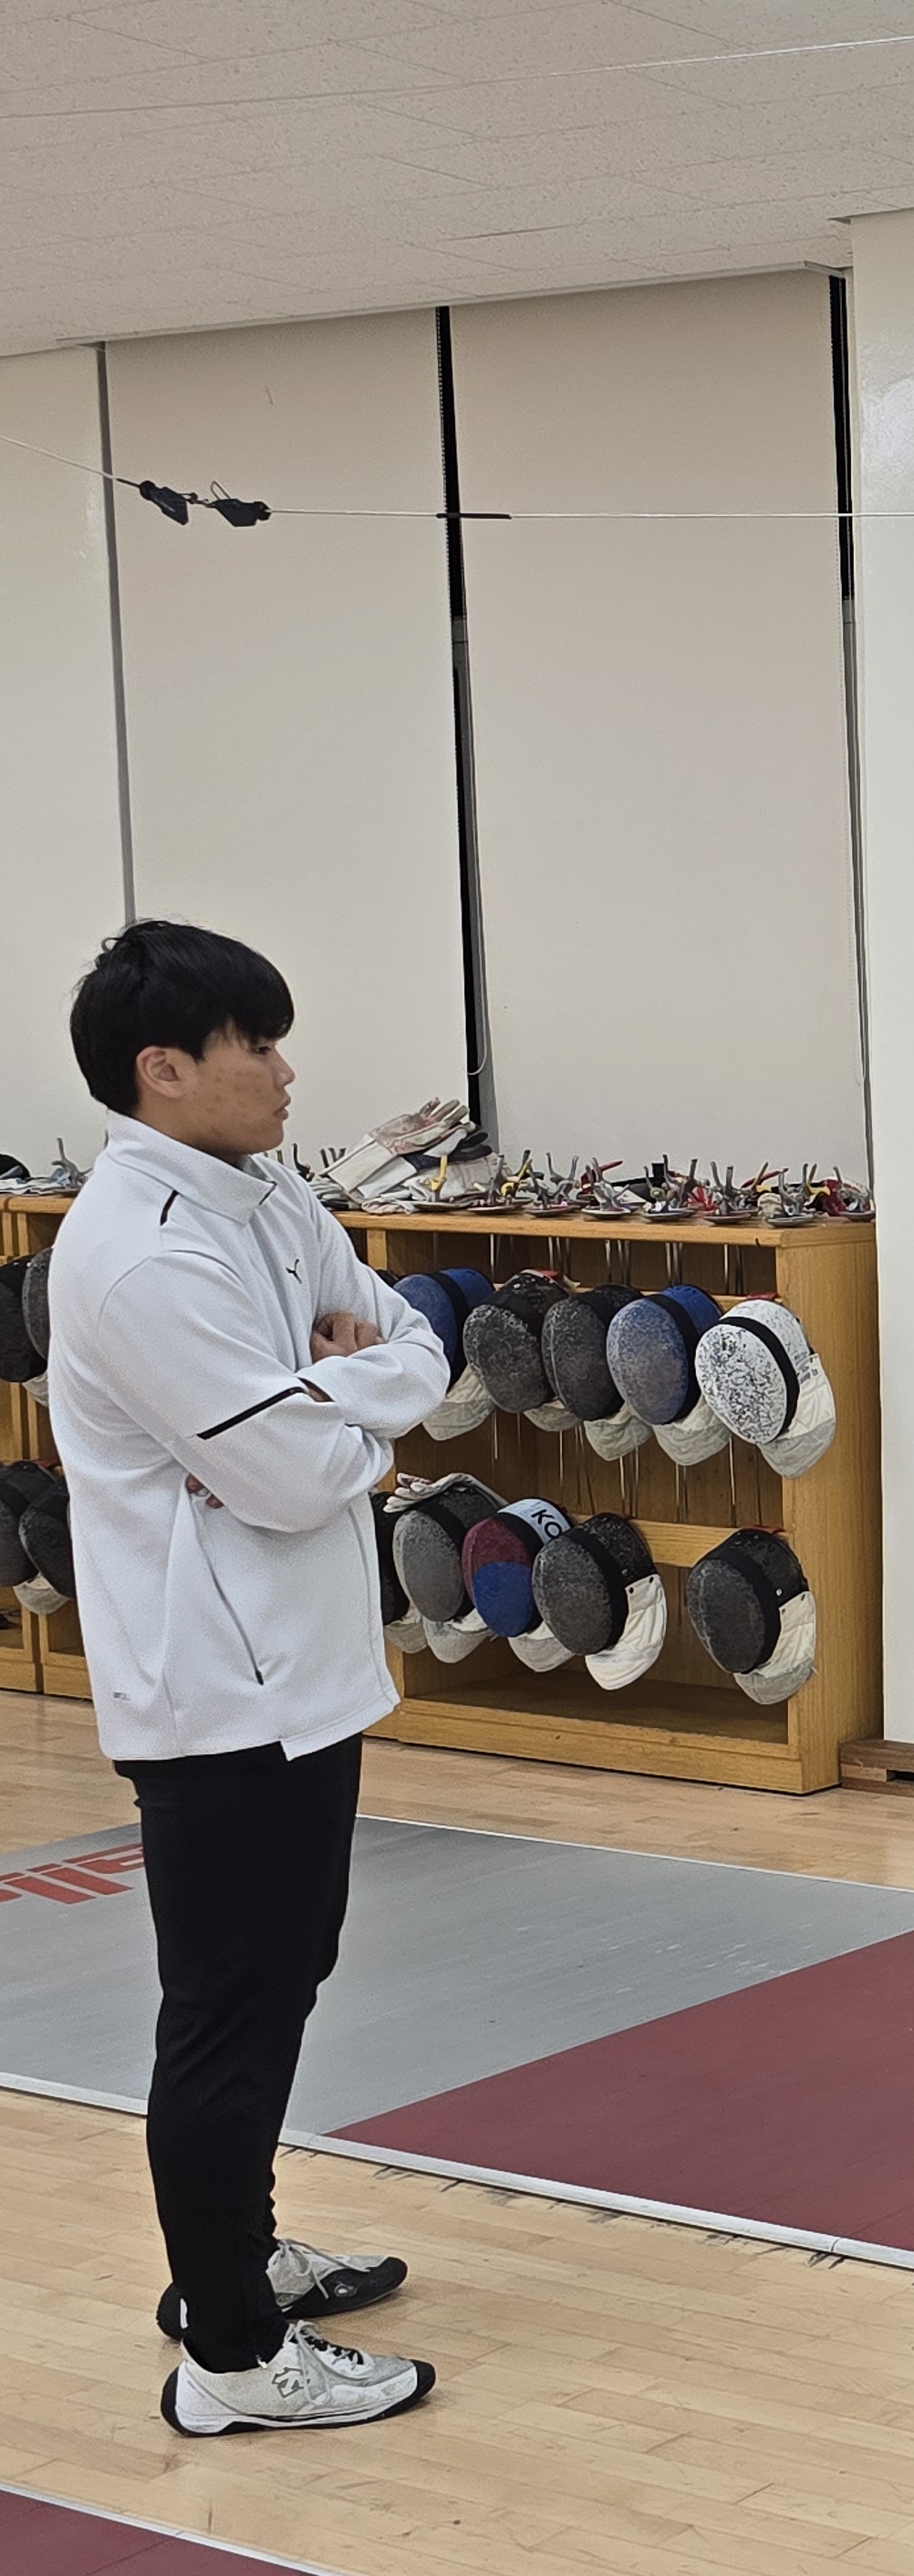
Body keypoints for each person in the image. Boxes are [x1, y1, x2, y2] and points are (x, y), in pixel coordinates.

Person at [49, 923, 449, 2436]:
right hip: (215, 1687)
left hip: (311, 1669)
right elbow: (290, 1476)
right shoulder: (139, 1256)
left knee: (289, 1975)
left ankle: (239, 2252)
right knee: (226, 2004)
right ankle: (226, 2353)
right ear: (164, 1069)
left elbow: (415, 1342)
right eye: (256, 1045)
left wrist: (335, 1392)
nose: (286, 1072)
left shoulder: (264, 1189)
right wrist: (344, 1411)